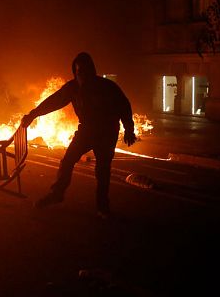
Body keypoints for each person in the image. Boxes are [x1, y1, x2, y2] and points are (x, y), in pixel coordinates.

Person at [21, 52, 136, 218]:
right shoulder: (73, 87)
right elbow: (54, 101)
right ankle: (57, 194)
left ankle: (102, 207)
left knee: (103, 170)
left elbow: (123, 105)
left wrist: (129, 129)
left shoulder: (106, 86)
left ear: (92, 70)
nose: (81, 75)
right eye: (78, 72)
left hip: (107, 131)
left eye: (84, 71)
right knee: (67, 161)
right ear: (74, 72)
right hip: (86, 130)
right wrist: (33, 114)